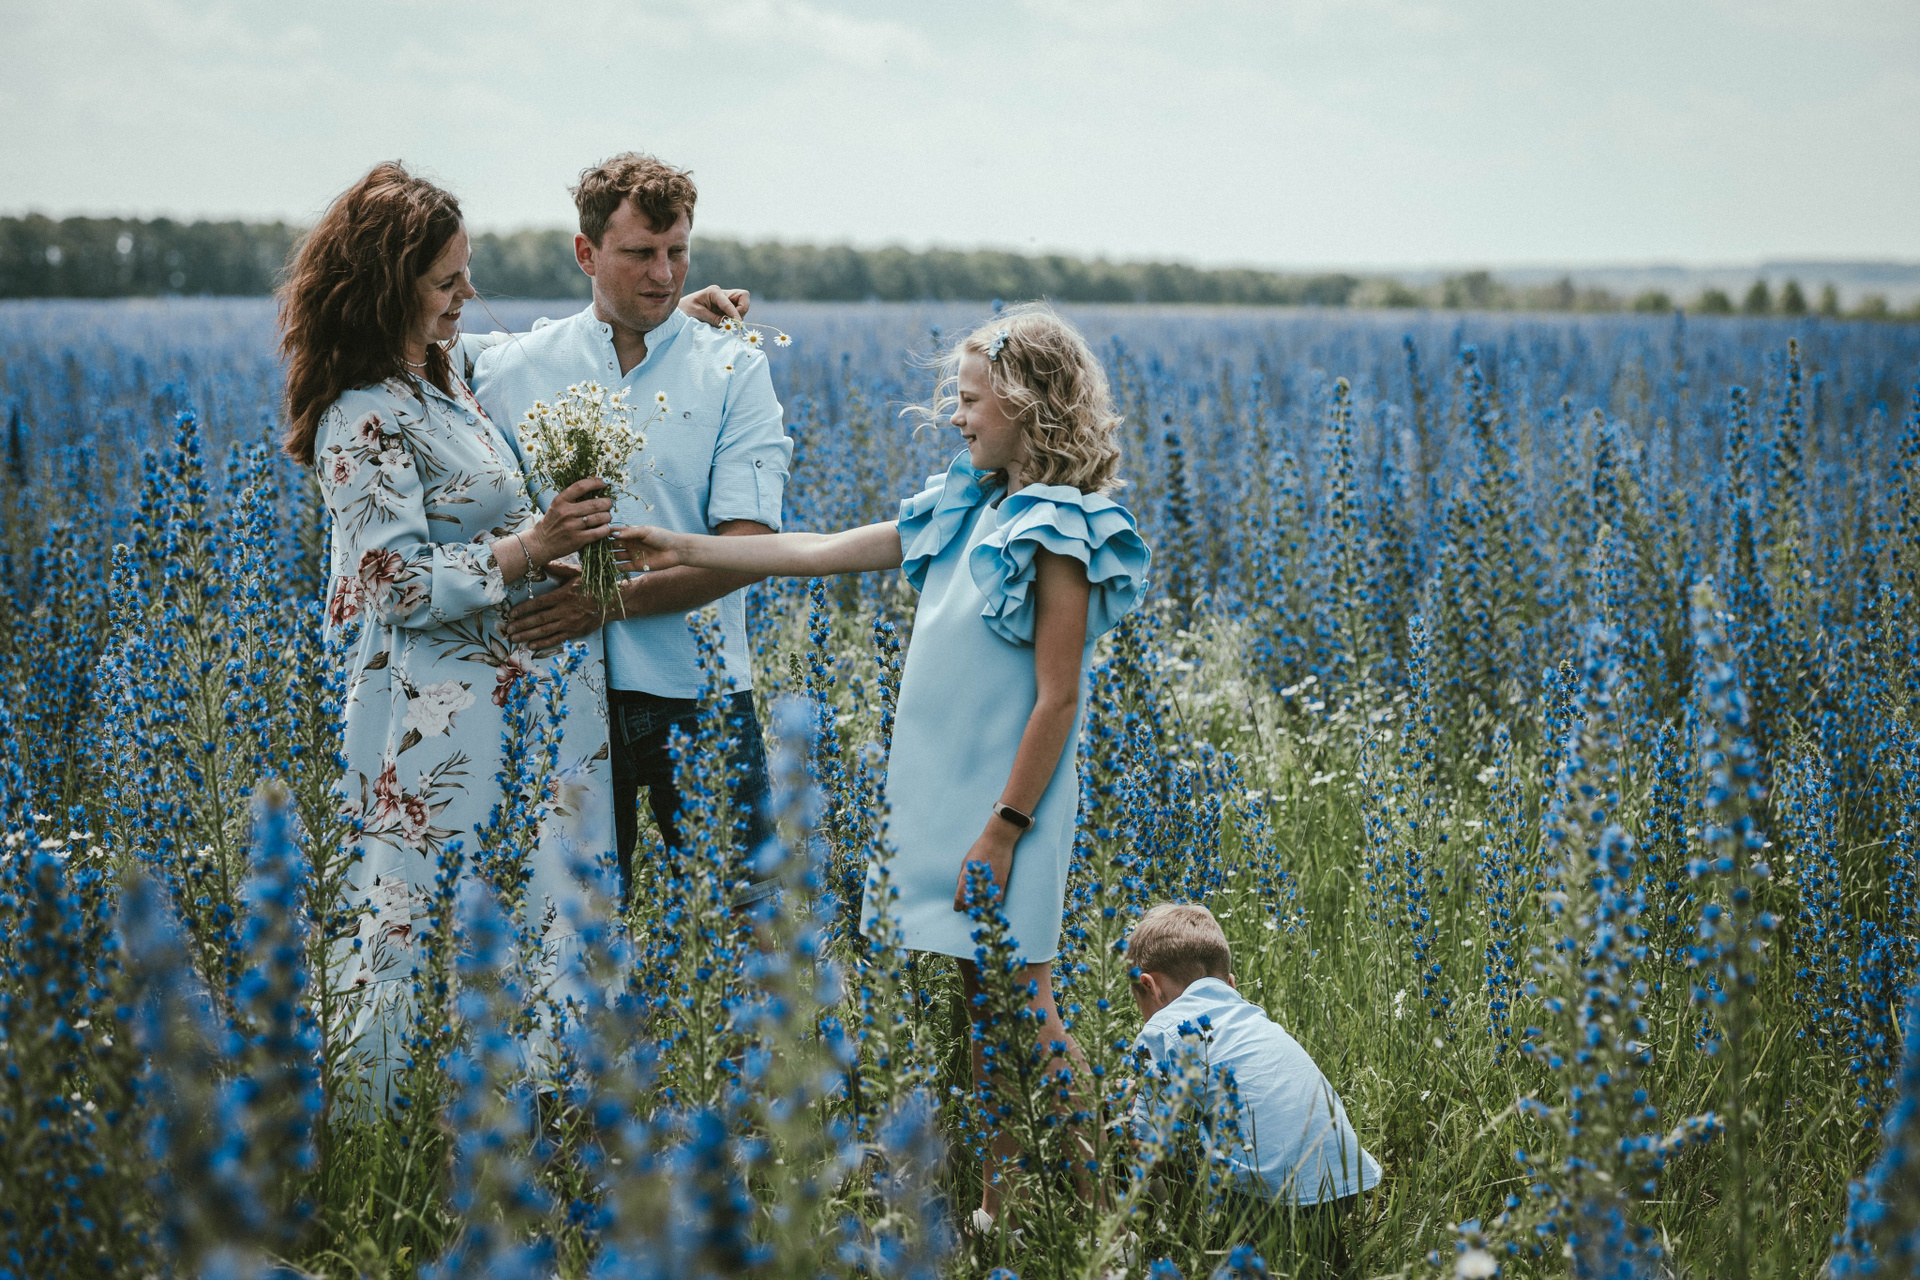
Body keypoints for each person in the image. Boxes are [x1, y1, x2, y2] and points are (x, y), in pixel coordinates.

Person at [612, 303, 1152, 1223]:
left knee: (1024, 1004)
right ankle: (998, 1207)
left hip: (1006, 808)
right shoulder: (967, 506)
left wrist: (1004, 829)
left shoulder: (1062, 530)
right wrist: (681, 546)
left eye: (972, 400)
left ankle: (1110, 1214)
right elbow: (820, 551)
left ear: (1026, 406)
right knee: (985, 1003)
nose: (957, 416)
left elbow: (1058, 700)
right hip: (944, 799)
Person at [279, 161, 747, 1101]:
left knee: (535, 915)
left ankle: (538, 1113)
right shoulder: (361, 413)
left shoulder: (442, 377)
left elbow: (550, 354)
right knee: (438, 914)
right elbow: (394, 585)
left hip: (518, 717)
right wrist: (537, 544)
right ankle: (412, 1123)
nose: (467, 295)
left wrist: (669, 319)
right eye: (446, 281)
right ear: (389, 288)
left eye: (466, 274)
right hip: (439, 725)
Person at [469, 152, 792, 910]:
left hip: (699, 688)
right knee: (572, 928)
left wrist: (608, 602)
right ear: (586, 254)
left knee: (745, 924)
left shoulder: (734, 368)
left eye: (678, 251)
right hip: (560, 689)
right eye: (640, 253)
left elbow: (749, 550)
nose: (665, 274)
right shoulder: (513, 368)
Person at [1125, 903, 1381, 1222]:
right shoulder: (1256, 1022)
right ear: (1230, 984)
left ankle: (1173, 1232)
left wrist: (1124, 1113)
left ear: (1150, 986)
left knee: (1144, 1134)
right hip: (1343, 1189)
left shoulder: (1161, 1031)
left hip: (1265, 1206)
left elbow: (1148, 1150)